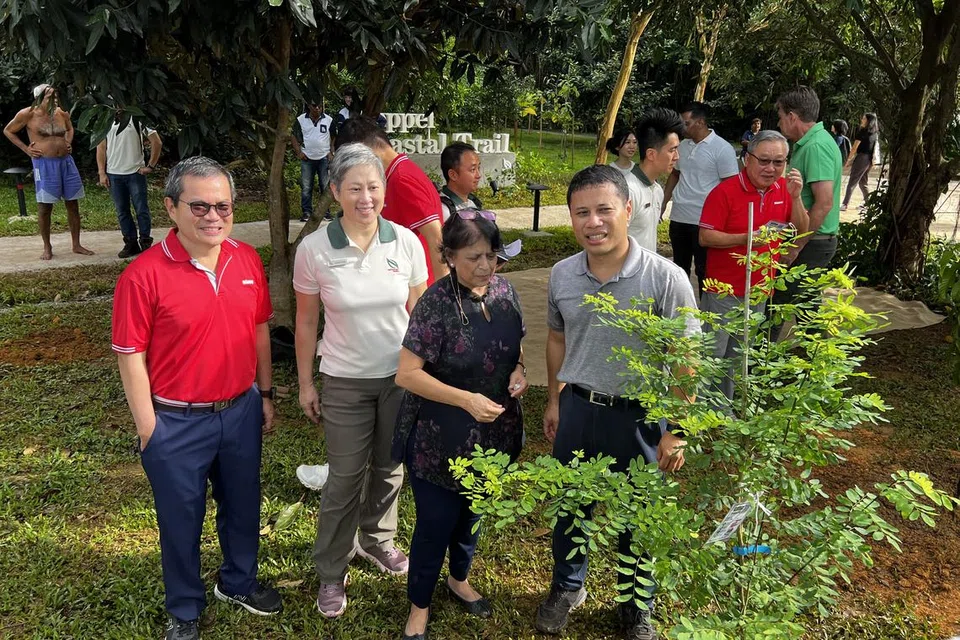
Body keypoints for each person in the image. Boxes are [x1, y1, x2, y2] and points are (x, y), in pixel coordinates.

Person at [112, 156, 281, 640]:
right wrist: (150, 429)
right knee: (181, 520)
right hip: (175, 422)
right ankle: (185, 608)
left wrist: (264, 394)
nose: (213, 217)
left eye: (223, 206)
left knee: (244, 504)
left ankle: (239, 581)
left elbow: (260, 330)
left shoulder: (246, 258)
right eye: (200, 206)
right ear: (171, 207)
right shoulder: (142, 276)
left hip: (240, 410)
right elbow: (131, 356)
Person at [536, 165, 697, 640]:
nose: (593, 222)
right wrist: (553, 399)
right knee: (571, 505)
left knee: (637, 516)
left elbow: (686, 360)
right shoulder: (562, 274)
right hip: (579, 408)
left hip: (642, 418)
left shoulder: (666, 280)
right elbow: (556, 339)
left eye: (604, 209)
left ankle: (634, 602)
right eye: (581, 212)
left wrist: (678, 428)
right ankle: (568, 585)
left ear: (629, 209)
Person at [293, 143, 429, 619]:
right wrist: (307, 384)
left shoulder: (405, 243)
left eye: (374, 187)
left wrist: (427, 375)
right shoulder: (314, 249)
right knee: (345, 477)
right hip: (345, 380)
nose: (366, 197)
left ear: (385, 191)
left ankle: (377, 540)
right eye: (355, 188)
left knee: (391, 467)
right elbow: (307, 323)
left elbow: (420, 313)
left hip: (400, 378)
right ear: (335, 191)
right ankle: (331, 569)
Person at [392, 209, 528, 640]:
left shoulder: (505, 291)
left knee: (473, 514)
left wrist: (519, 371)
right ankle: (419, 604)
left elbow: (514, 349)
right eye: (473, 258)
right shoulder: (435, 303)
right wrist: (465, 399)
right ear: (449, 256)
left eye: (491, 255)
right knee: (435, 522)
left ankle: (459, 578)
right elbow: (407, 374)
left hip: (494, 431)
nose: (485, 267)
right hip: (441, 435)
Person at [699, 130, 808, 402]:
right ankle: (695, 410)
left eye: (779, 162)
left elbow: (801, 230)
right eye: (764, 160)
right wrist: (749, 238)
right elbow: (705, 237)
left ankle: (724, 407)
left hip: (759, 288)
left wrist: (795, 198)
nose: (771, 169)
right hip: (723, 289)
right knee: (712, 353)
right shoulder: (724, 191)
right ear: (747, 159)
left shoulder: (784, 189)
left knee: (739, 353)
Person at [334, 116, 447, 284]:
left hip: (420, 290)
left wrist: (443, 297)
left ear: (363, 151)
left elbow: (436, 237)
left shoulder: (402, 179)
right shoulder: (395, 175)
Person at [771, 86, 842, 341]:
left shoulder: (816, 146)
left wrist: (796, 246)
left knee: (777, 304)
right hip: (813, 239)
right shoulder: (811, 143)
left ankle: (758, 366)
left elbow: (824, 203)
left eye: (780, 116)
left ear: (792, 117)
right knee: (806, 308)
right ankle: (817, 367)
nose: (780, 123)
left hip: (813, 240)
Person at [3, 84, 93, 260]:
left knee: (73, 204)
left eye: (56, 95)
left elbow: (69, 128)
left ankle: (76, 244)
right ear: (39, 98)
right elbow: (8, 131)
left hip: (66, 162)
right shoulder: (27, 114)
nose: (55, 99)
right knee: (45, 207)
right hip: (44, 164)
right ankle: (47, 246)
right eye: (50, 96)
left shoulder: (61, 113)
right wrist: (26, 149)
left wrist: (68, 141)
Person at [662, 102, 739, 296]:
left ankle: (706, 313)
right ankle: (679, 308)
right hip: (679, 217)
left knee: (705, 269)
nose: (682, 128)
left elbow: (730, 186)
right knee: (679, 268)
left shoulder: (722, 148)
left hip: (705, 222)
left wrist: (727, 219)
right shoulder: (682, 146)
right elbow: (675, 175)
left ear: (701, 122)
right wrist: (663, 202)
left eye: (686, 123)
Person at [97, 109, 163, 258]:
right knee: (122, 211)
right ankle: (130, 242)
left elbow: (156, 141)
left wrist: (150, 166)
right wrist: (102, 172)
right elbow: (101, 147)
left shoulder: (138, 118)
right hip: (114, 173)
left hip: (135, 173)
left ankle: (145, 241)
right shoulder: (106, 120)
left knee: (141, 209)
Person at [633, 107, 684, 252]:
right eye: (671, 150)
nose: (677, 156)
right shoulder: (627, 190)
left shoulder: (657, 190)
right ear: (651, 154)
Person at [605, 129, 652, 250]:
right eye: (627, 142)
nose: (632, 146)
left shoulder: (640, 170)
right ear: (617, 146)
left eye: (635, 142)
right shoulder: (609, 171)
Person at [292, 98, 334, 222]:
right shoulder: (300, 120)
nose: (317, 108)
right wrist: (299, 152)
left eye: (320, 106)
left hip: (323, 158)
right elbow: (293, 136)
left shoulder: (328, 120)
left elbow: (334, 136)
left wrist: (331, 151)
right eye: (315, 106)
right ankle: (306, 212)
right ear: (309, 106)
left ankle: (325, 212)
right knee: (306, 186)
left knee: (324, 186)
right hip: (307, 158)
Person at [841, 112, 880, 211]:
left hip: (862, 158)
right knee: (863, 182)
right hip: (869, 160)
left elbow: (854, 148)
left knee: (852, 181)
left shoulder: (862, 132)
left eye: (864, 118)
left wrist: (848, 160)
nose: (862, 120)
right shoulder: (875, 133)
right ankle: (869, 204)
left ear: (868, 121)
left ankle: (845, 204)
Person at [439, 141, 483, 222]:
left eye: (478, 168)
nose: (478, 175)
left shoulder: (473, 203)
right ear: (453, 175)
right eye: (473, 170)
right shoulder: (444, 211)